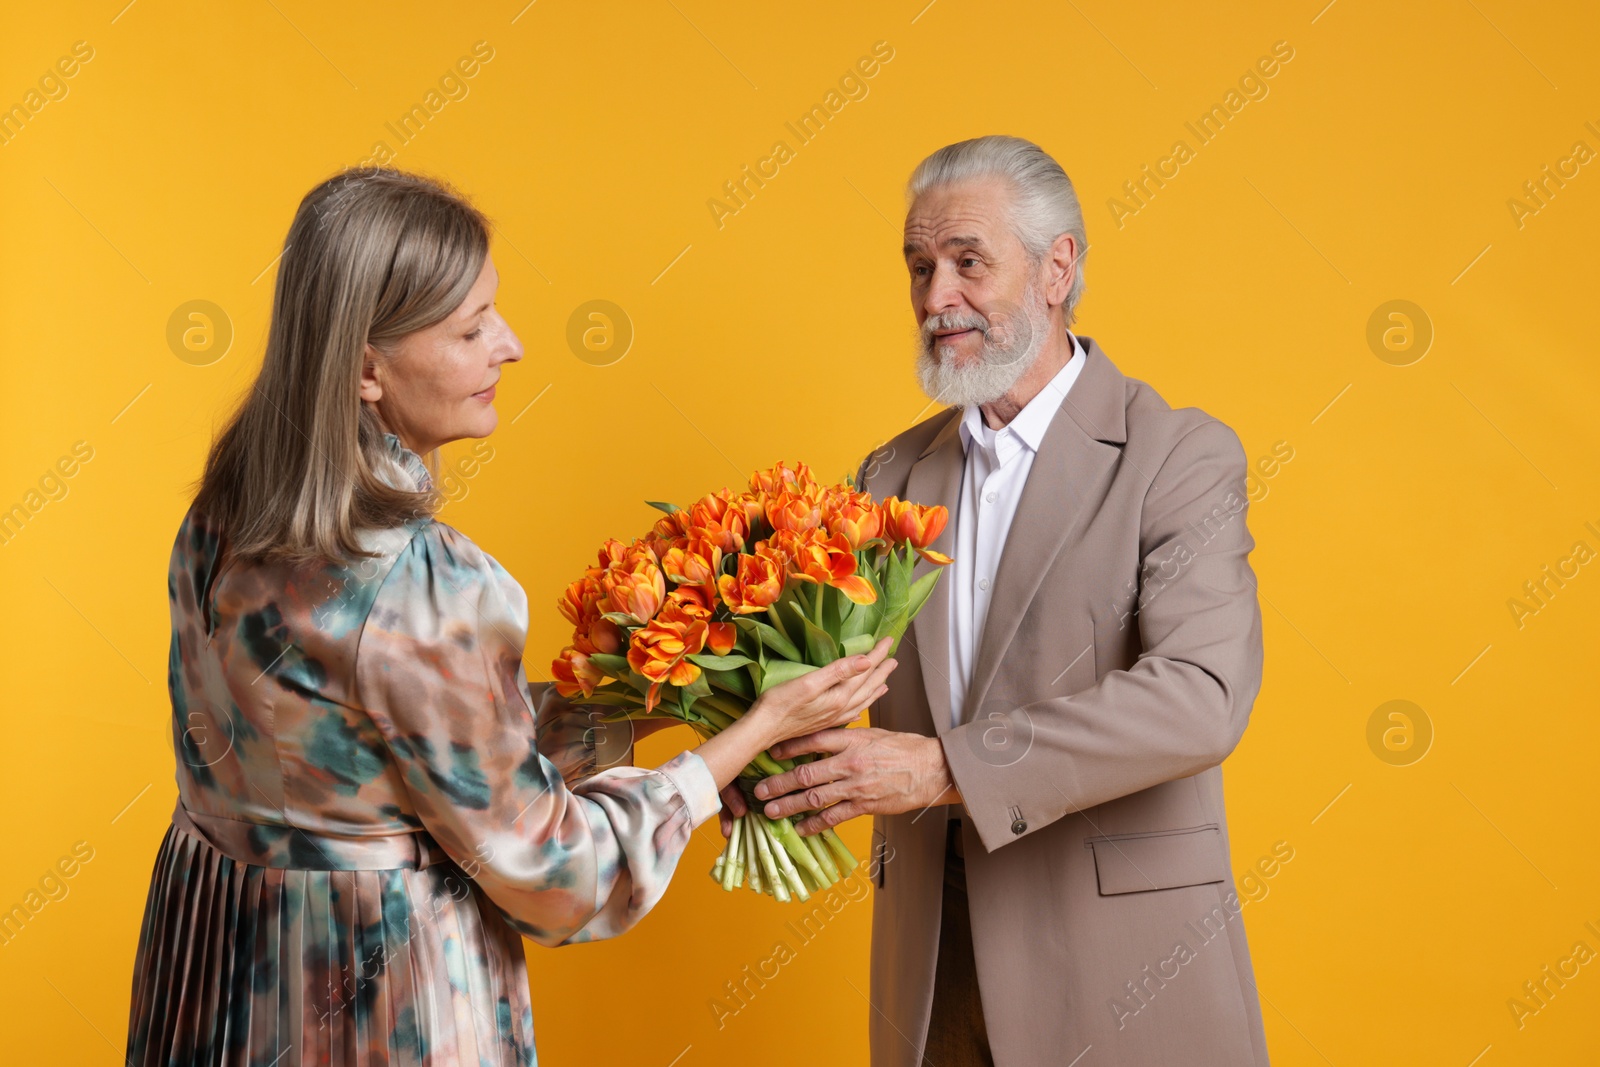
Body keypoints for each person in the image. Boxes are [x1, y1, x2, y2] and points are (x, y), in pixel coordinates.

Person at [123, 167, 897, 1067]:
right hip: (379, 1007)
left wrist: (657, 702)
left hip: (225, 978)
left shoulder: (225, 512)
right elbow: (558, 876)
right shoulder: (425, 579)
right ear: (366, 368)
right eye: (470, 327)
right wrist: (749, 733)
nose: (512, 344)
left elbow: (404, 746)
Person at [734, 136, 1270, 1065]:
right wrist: (743, 745)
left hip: (1122, 973)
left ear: (1058, 266)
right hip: (930, 970)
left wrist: (947, 769)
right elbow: (840, 677)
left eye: (968, 262)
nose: (937, 296)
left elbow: (1199, 697)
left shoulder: (1179, 456)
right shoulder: (890, 471)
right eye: (919, 266)